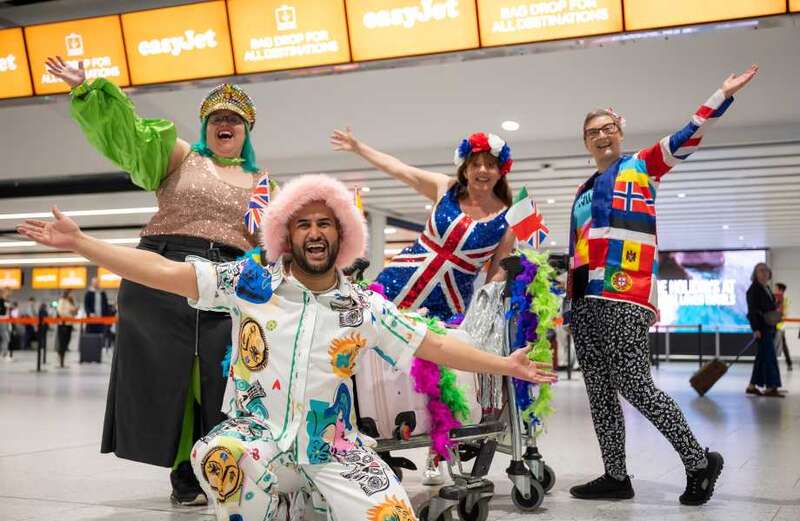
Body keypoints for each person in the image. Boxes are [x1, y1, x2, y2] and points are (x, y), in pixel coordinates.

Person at [16, 174, 556, 521]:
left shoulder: (361, 307)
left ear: (343, 235)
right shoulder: (252, 284)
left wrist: (502, 364)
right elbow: (165, 271)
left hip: (335, 449)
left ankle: (319, 499)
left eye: (326, 223)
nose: (315, 232)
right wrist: (84, 244)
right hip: (257, 439)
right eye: (303, 224)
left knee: (392, 516)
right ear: (286, 234)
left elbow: (433, 343)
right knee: (218, 454)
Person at [45, 56, 272, 505]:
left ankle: (220, 463)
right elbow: (129, 135)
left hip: (224, 281)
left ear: (246, 132)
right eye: (216, 118)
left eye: (235, 120)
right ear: (206, 126)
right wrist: (89, 90)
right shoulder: (181, 156)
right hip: (161, 269)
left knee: (219, 377)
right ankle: (184, 471)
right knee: (174, 376)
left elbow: (267, 241)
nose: (224, 124)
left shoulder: (261, 182)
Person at [565, 65, 758, 506]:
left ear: (620, 131)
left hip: (624, 296)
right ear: (585, 141)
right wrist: (569, 302)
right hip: (586, 302)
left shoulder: (642, 166)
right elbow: (580, 249)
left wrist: (720, 95)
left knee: (635, 385)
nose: (602, 136)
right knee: (598, 389)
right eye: (593, 131)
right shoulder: (583, 189)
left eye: (609, 128)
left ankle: (698, 461)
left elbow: (685, 137)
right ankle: (616, 475)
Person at [330, 128, 517, 483]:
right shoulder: (444, 188)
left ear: (501, 170)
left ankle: (438, 452)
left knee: (439, 376)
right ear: (464, 167)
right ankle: (368, 438)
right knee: (367, 355)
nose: (481, 171)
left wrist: (482, 315)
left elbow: (496, 273)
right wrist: (358, 147)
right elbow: (398, 168)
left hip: (448, 299)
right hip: (399, 282)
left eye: (489, 165)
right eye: (475, 163)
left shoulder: (508, 220)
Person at [746, 263, 783, 397]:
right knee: (769, 357)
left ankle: (751, 386)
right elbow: (752, 312)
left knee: (762, 357)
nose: (764, 273)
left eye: (766, 271)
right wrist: (755, 329)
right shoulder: (753, 290)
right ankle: (771, 387)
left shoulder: (766, 288)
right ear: (755, 274)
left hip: (769, 327)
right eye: (760, 271)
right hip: (762, 328)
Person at [773, 282, 793, 371]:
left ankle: (787, 364)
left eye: (776, 288)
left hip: (780, 326)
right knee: (783, 345)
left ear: (781, 290)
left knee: (776, 346)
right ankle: (789, 363)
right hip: (774, 325)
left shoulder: (785, 300)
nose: (775, 290)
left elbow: (784, 313)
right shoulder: (774, 299)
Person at [56, 290, 78, 368]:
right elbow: (60, 312)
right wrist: (70, 313)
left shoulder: (70, 302)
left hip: (69, 324)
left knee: (66, 342)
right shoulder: (61, 301)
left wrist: (74, 311)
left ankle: (62, 361)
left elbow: (74, 312)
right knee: (62, 342)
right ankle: (61, 362)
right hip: (63, 325)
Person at [0, 288, 11, 361]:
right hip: (2, 320)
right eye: (6, 292)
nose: (8, 293)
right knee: (6, 338)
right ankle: (4, 354)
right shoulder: (2, 301)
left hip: (5, 320)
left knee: (5, 338)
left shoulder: (5, 301)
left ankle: (3, 354)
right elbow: (6, 311)